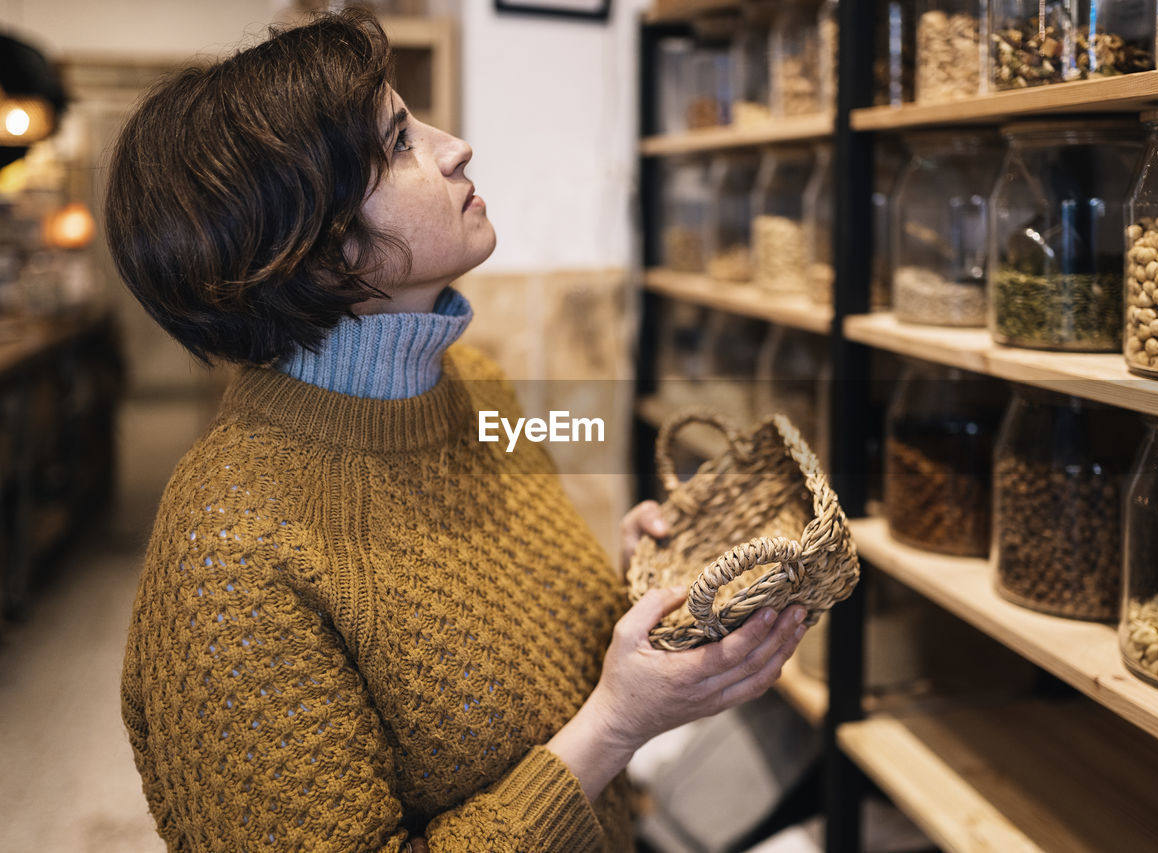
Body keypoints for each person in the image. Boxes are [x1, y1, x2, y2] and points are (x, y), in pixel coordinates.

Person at [106, 9, 809, 852]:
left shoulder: (475, 387)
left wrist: (635, 581)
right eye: (400, 143)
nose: (456, 146)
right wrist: (615, 726)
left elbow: (515, 651)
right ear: (317, 249)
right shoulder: (230, 545)